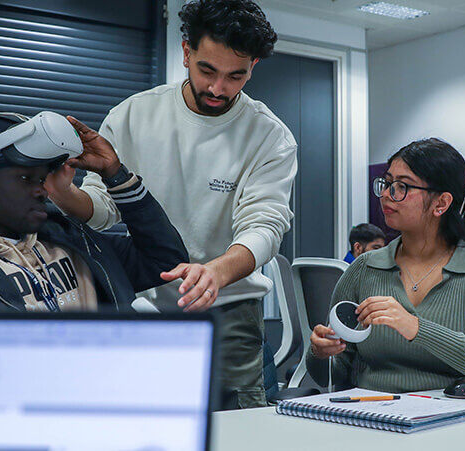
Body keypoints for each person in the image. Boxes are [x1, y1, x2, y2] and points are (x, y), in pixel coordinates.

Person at [45, 0, 295, 409]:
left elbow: (264, 227)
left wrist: (215, 272)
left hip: (229, 310)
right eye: (207, 71)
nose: (219, 89)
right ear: (186, 52)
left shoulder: (270, 136)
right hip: (144, 304)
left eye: (236, 76)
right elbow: (104, 206)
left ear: (253, 68)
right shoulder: (135, 114)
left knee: (237, 429)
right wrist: (63, 193)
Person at [0, 112, 188, 312]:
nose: (42, 190)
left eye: (42, 179)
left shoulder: (69, 235)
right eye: (26, 178)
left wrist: (116, 175)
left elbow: (165, 259)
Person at [306, 138, 465, 393]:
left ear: (441, 203)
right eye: (386, 183)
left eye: (401, 186)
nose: (386, 194)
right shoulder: (364, 269)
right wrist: (320, 352)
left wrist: (416, 327)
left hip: (452, 421)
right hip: (372, 417)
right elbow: (333, 375)